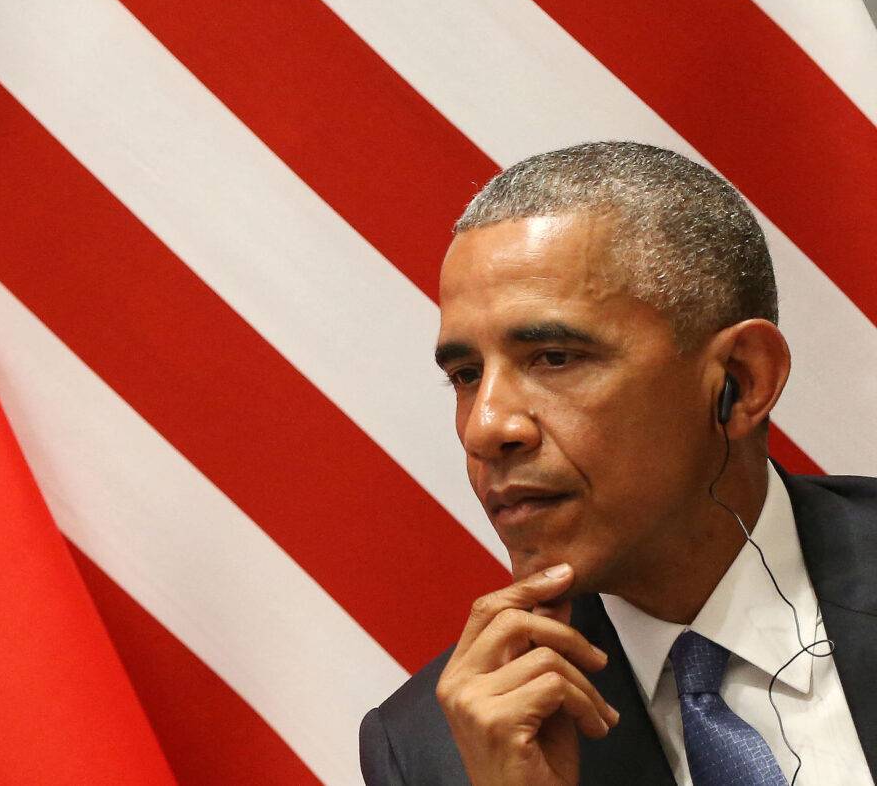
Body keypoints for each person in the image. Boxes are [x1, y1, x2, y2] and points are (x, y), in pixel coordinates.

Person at [361, 140, 877, 786]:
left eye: (554, 357)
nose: (485, 427)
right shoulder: (439, 754)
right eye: (466, 375)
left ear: (741, 383)